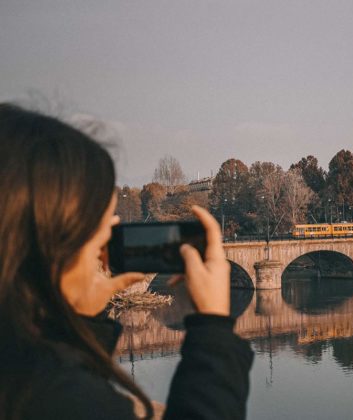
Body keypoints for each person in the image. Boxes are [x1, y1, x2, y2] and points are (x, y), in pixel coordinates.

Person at [0, 104, 254, 420]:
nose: (112, 230)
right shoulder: (57, 397)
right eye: (103, 218)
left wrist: (79, 316)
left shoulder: (21, 365)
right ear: (52, 240)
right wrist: (214, 325)